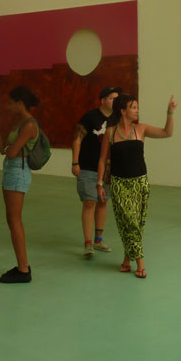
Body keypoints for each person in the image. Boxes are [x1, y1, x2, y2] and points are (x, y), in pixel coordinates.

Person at [96, 94, 177, 279]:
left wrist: (170, 113)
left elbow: (167, 132)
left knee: (136, 224)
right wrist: (99, 183)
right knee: (129, 222)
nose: (137, 110)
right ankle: (140, 263)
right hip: (119, 184)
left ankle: (127, 259)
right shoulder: (110, 132)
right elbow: (102, 160)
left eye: (137, 107)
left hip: (140, 183)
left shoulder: (141, 129)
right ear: (123, 111)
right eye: (133, 107)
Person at [0, 85, 40, 284]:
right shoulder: (20, 123)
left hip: (18, 170)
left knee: (15, 219)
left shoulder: (29, 126)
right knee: (11, 218)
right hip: (11, 169)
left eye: (11, 103)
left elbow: (11, 152)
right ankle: (22, 265)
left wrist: (11, 148)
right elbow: (3, 149)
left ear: (20, 103)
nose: (8, 107)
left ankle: (23, 269)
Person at [72, 86, 121, 258]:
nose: (114, 101)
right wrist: (75, 162)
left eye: (117, 99)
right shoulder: (90, 117)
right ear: (103, 100)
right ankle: (88, 243)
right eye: (111, 98)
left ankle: (98, 240)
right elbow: (77, 139)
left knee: (102, 202)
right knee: (89, 202)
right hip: (88, 166)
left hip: (108, 169)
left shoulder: (118, 118)